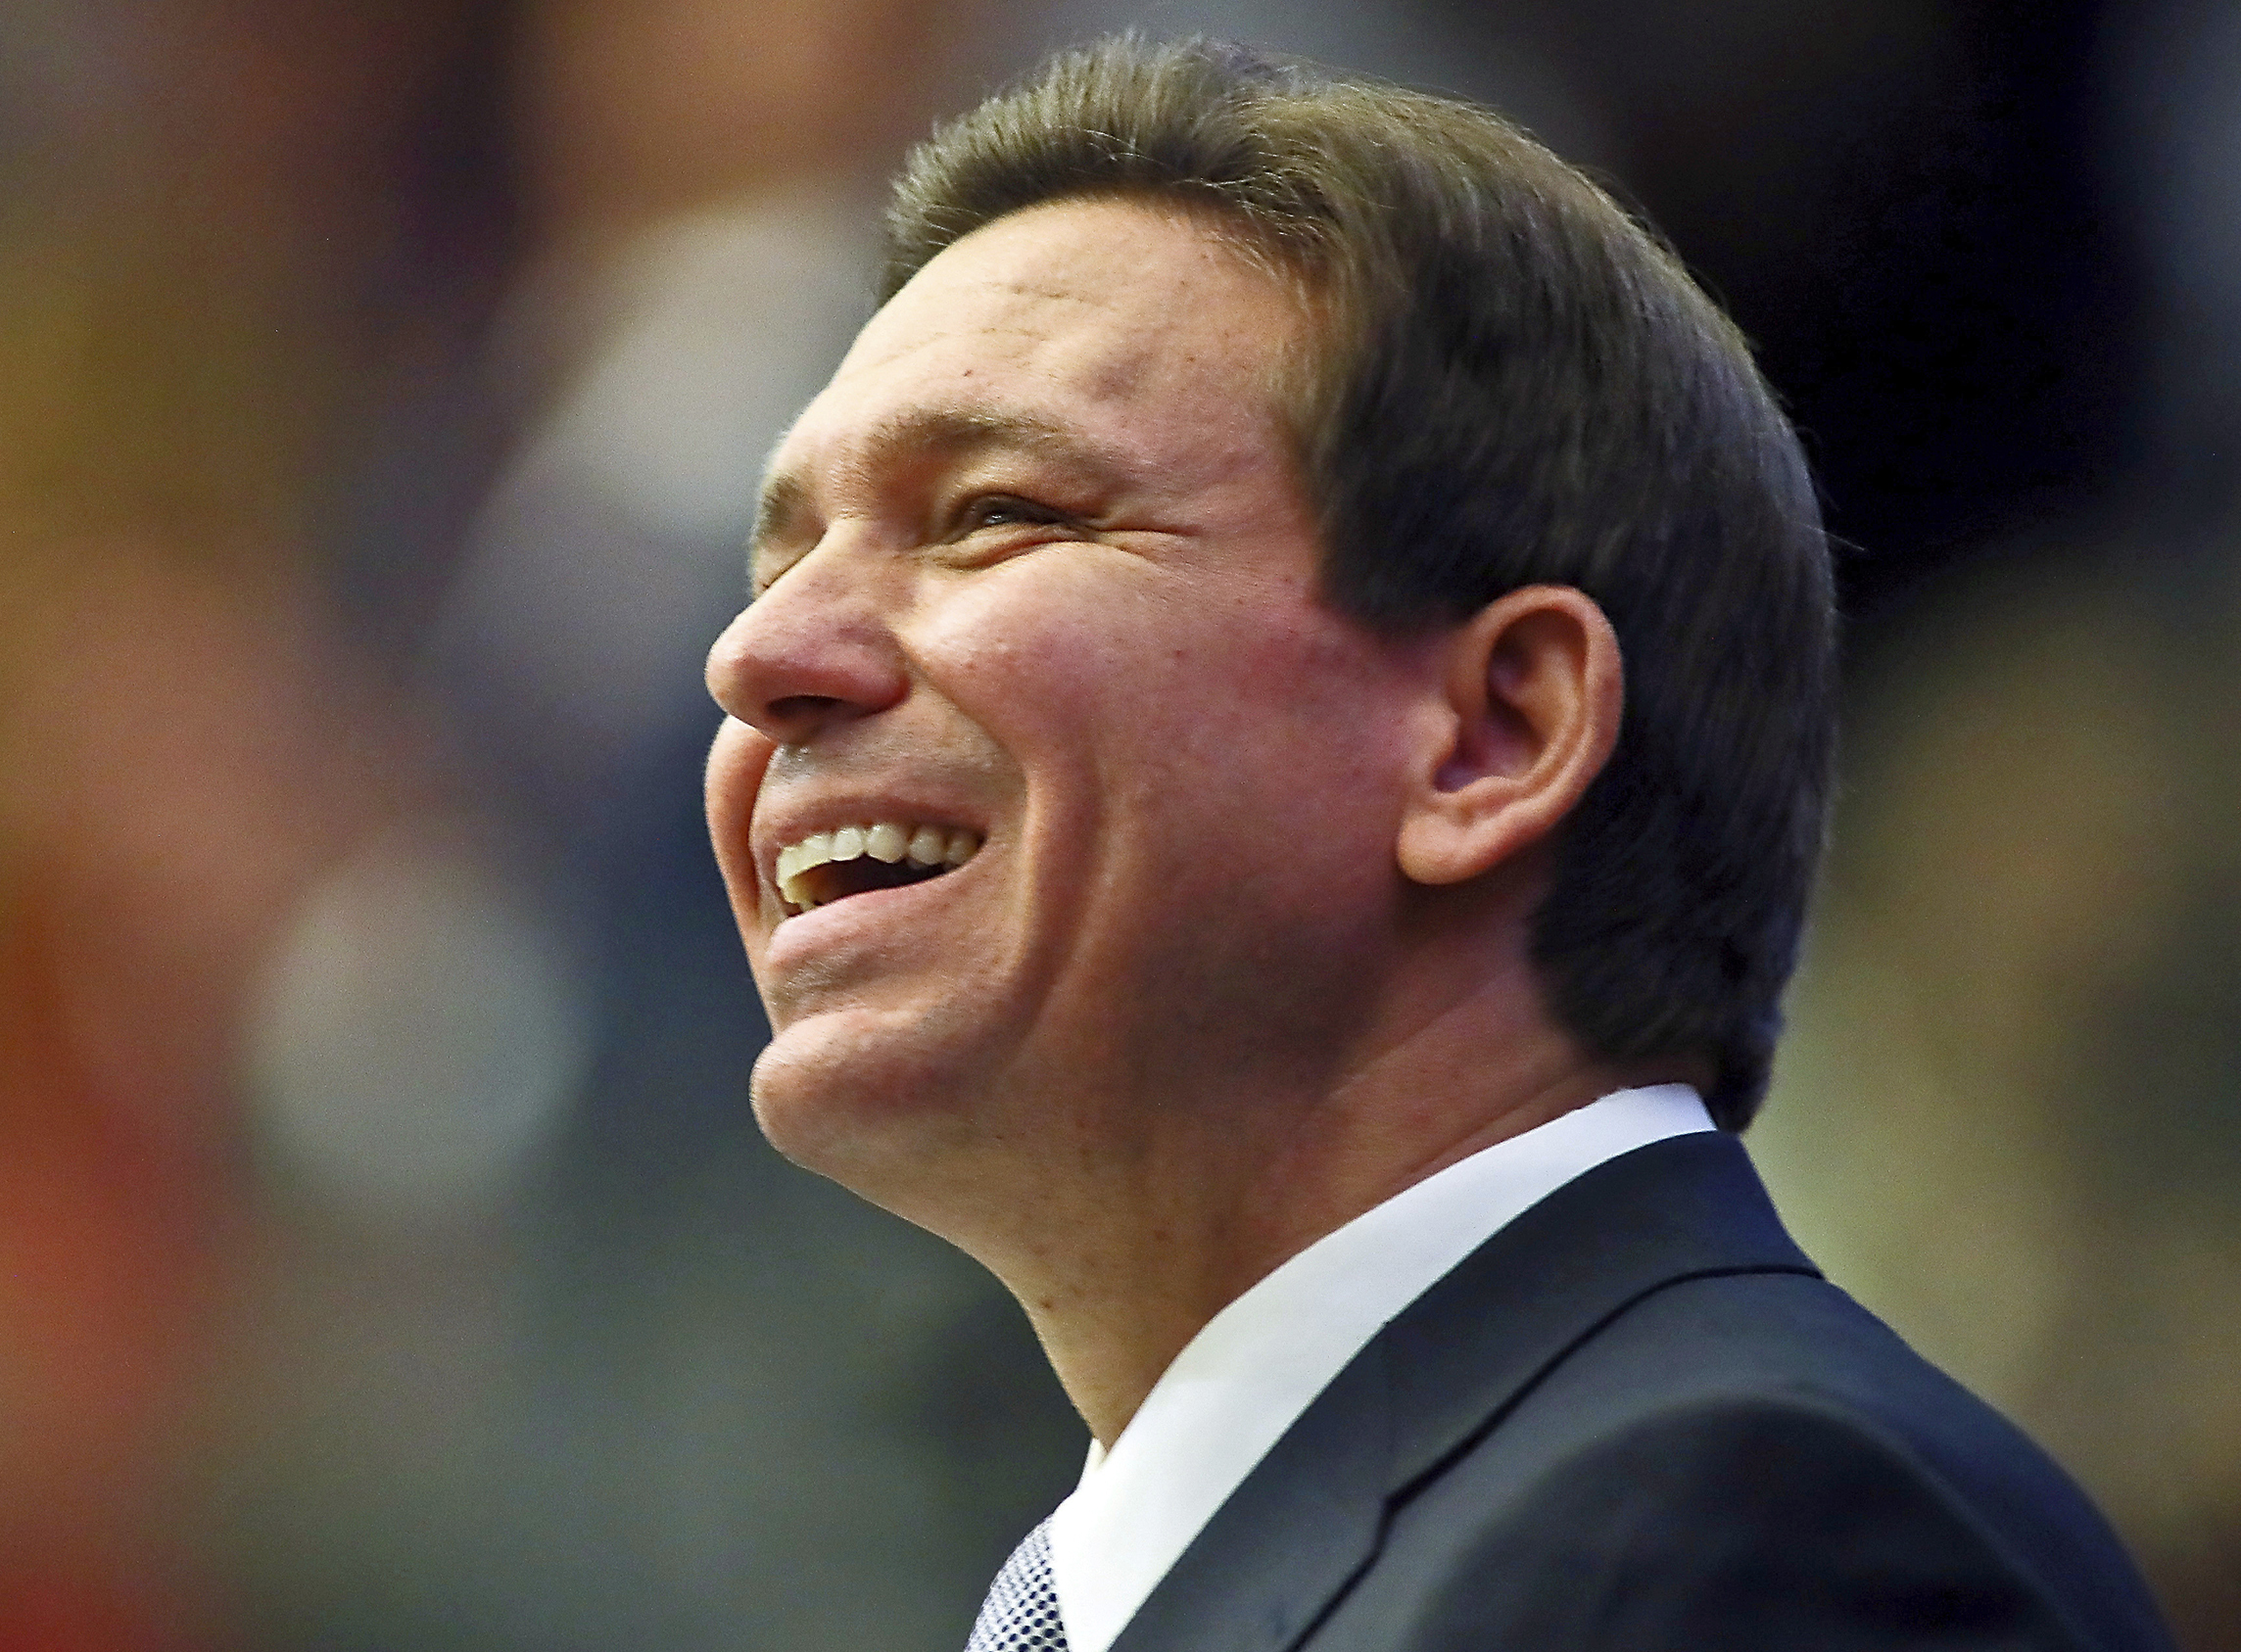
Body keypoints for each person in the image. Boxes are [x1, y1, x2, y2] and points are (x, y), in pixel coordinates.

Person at [698, 37, 2175, 1652]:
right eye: (776, 566)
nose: (761, 658)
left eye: (996, 512)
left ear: (1492, 737)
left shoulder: (1730, 1534)